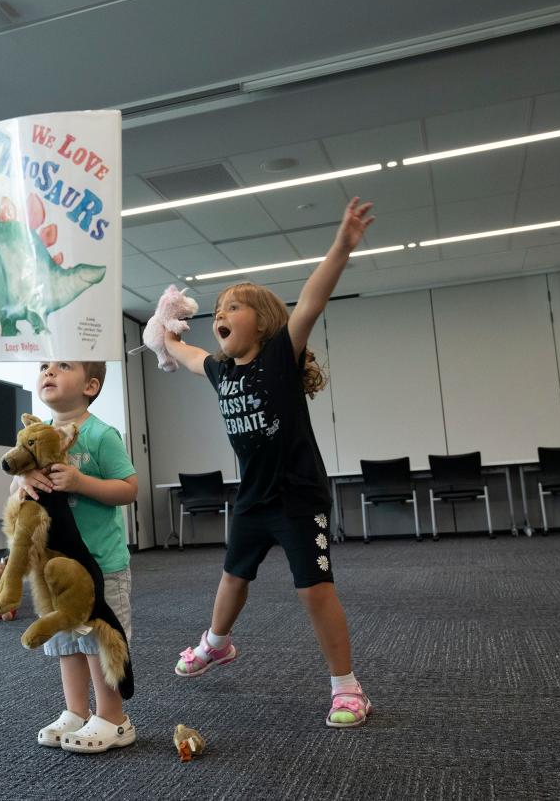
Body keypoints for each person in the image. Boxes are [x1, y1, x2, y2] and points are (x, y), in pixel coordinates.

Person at [162, 197, 376, 728]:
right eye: (217, 311)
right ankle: (217, 644)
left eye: (232, 307)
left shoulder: (281, 354)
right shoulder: (220, 371)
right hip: (254, 498)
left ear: (262, 322)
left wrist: (341, 247)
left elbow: (310, 300)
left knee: (313, 588)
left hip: (298, 497)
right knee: (233, 575)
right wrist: (161, 333)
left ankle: (347, 688)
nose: (220, 316)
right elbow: (186, 356)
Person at [14, 361, 140, 753]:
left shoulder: (102, 435)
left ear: (91, 385)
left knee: (99, 639)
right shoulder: (36, 437)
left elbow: (129, 488)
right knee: (65, 639)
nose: (48, 371)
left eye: (62, 366)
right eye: (44, 366)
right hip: (54, 567)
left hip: (99, 564)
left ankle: (114, 718)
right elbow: (18, 490)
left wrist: (82, 482)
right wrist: (23, 481)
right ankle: (76, 711)